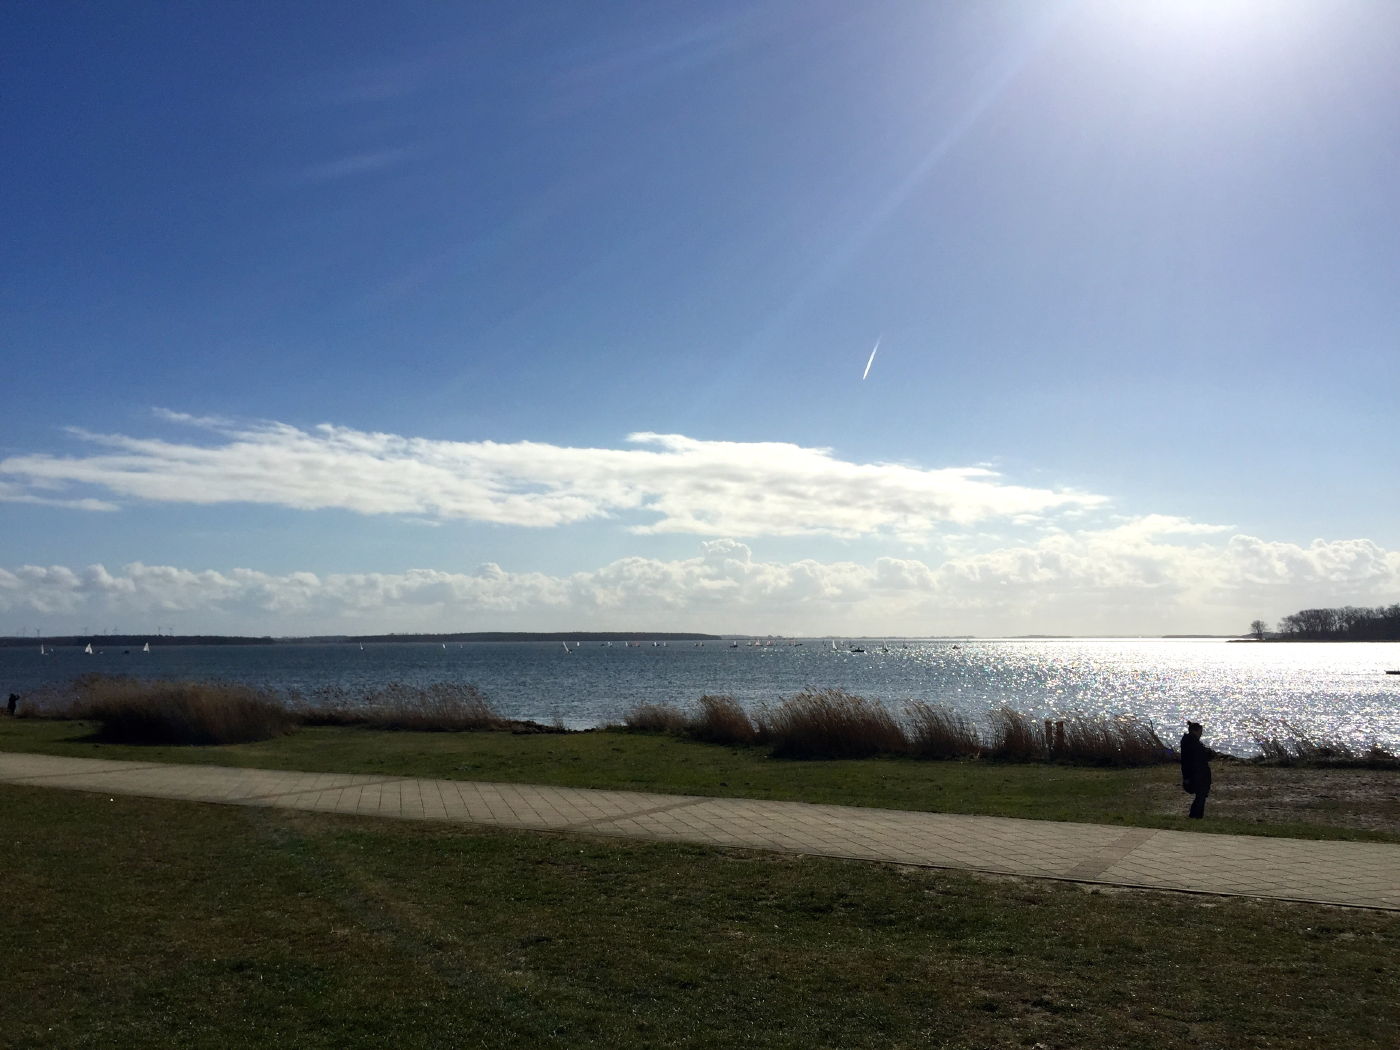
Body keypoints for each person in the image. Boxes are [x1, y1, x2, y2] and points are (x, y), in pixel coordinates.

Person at [1179, 721, 1211, 819]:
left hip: (1197, 773)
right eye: (1200, 732)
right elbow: (1199, 756)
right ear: (1196, 731)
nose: (1201, 734)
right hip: (1197, 773)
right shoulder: (1193, 743)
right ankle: (1195, 816)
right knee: (1201, 796)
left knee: (1201, 796)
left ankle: (1196, 816)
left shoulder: (1189, 741)